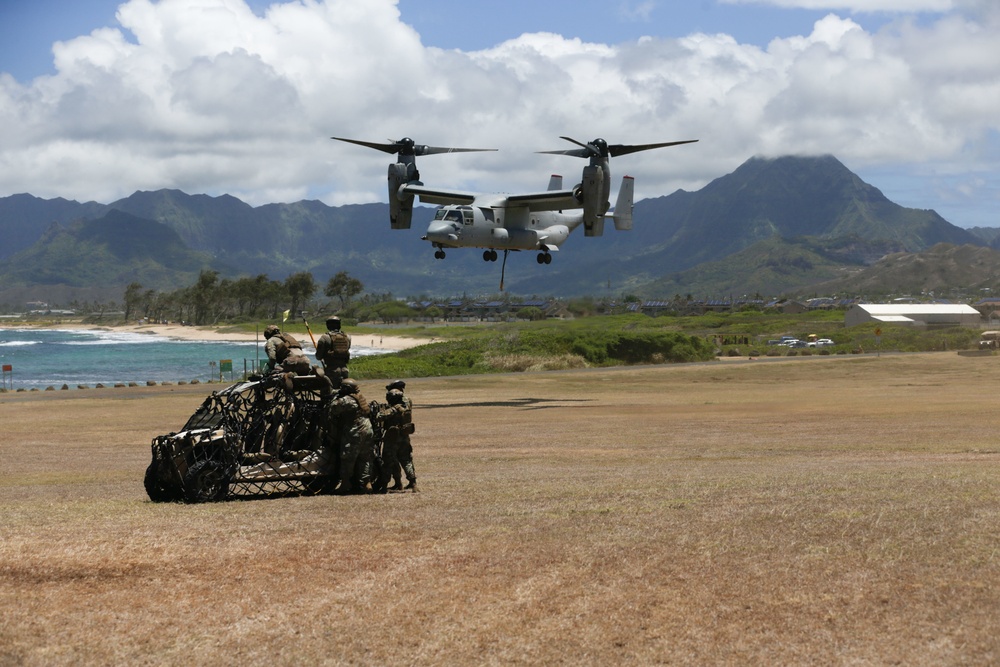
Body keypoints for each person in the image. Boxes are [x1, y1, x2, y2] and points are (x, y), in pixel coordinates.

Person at [326, 378, 374, 494]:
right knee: (365, 458)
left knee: (348, 457)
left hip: (355, 431)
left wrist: (336, 396)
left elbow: (333, 408)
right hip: (367, 429)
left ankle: (346, 484)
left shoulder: (347, 400)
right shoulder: (359, 397)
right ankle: (366, 484)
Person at [385, 379, 417, 492]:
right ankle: (413, 483)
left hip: (393, 435)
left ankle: (398, 484)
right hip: (405, 433)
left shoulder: (394, 403)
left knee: (393, 459)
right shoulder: (408, 400)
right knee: (406, 459)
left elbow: (383, 416)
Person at [315, 316, 352, 388]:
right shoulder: (347, 337)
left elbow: (318, 356)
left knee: (327, 392)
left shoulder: (324, 338)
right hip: (344, 369)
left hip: (331, 370)